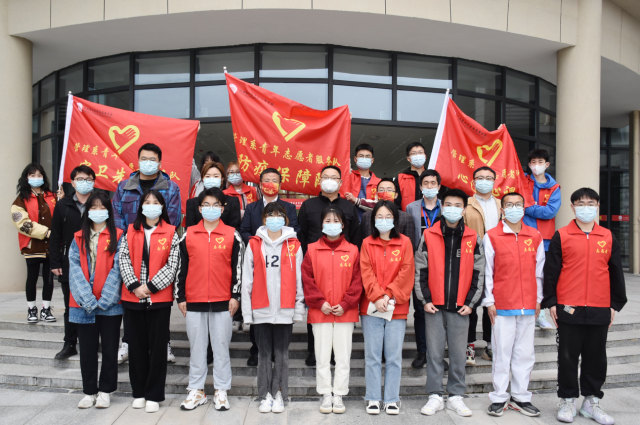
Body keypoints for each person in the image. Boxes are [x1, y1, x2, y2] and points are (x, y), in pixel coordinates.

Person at [542, 188, 627, 425]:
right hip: (569, 306)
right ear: (572, 207)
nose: (585, 207)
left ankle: (591, 402)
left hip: (600, 306)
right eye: (580, 203)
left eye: (590, 203)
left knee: (596, 357)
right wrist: (551, 301)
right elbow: (551, 271)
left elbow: (616, 272)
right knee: (567, 356)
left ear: (598, 206)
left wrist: (614, 304)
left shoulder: (607, 236)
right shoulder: (562, 235)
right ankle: (567, 400)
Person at [415, 188, 484, 418]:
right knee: (434, 353)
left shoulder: (473, 238)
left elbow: (479, 273)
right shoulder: (429, 235)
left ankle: (456, 395)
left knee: (458, 354)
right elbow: (420, 269)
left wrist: (471, 303)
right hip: (434, 306)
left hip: (461, 307)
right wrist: (425, 299)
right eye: (448, 205)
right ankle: (435, 395)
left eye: (457, 205)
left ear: (464, 210)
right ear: (442, 207)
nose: (452, 209)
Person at [112, 143, 181, 363]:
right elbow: (116, 216)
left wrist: (158, 233)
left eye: (152, 159)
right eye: (144, 159)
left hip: (161, 245)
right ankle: (128, 341)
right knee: (131, 299)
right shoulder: (124, 187)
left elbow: (173, 217)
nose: (148, 163)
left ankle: (164, 342)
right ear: (138, 160)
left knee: (159, 303)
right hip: (130, 245)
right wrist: (129, 238)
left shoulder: (171, 188)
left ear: (159, 163)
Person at [177, 187, 244, 411]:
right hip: (194, 300)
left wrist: (235, 295)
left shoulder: (232, 235)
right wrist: (181, 296)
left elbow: (238, 269)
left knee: (221, 347)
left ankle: (221, 390)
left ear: (223, 209)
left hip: (223, 301)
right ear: (199, 208)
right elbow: (180, 268)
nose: (211, 209)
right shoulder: (188, 234)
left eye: (216, 205)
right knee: (197, 348)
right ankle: (196, 390)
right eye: (206, 205)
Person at [483, 192, 545, 418]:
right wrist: (489, 301)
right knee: (502, 353)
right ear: (502, 210)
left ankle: (520, 396)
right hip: (502, 304)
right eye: (509, 205)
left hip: (528, 304)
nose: (514, 208)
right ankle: (499, 397)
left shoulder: (535, 235)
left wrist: (538, 299)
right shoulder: (492, 236)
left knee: (524, 353)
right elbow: (487, 272)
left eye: (518, 204)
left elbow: (539, 272)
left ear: (524, 208)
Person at [118, 189, 180, 413]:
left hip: (159, 299)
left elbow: (172, 265)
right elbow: (123, 259)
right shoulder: (130, 231)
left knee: (157, 348)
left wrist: (150, 287)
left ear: (162, 207)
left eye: (156, 202)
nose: (151, 206)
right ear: (141, 206)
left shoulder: (171, 232)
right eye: (147, 202)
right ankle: (139, 392)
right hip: (132, 297)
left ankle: (154, 394)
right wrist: (135, 286)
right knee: (136, 348)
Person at [242, 202, 304, 414]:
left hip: (285, 310)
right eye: (270, 214)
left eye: (279, 215)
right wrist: (247, 313)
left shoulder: (294, 245)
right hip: (261, 309)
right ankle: (264, 395)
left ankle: (279, 393)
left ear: (285, 219)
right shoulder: (254, 244)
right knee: (264, 356)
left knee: (282, 355)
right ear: (264, 218)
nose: (274, 218)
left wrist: (298, 309)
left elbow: (299, 280)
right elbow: (247, 281)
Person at [298, 165, 362, 366]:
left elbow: (355, 236)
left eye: (334, 177)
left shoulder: (349, 207)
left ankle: (338, 353)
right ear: (319, 181)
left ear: (340, 182)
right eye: (325, 176)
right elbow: (302, 235)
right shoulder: (308, 206)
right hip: (316, 263)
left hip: (344, 263)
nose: (329, 180)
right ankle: (313, 350)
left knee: (342, 307)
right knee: (317, 307)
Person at [302, 206, 363, 414]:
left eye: (336, 221)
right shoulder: (312, 250)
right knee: (322, 357)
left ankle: (339, 394)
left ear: (343, 224)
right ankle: (325, 394)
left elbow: (358, 282)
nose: (332, 224)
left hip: (345, 313)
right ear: (321, 224)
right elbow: (307, 280)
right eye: (327, 221)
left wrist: (345, 304)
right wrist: (319, 302)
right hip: (321, 312)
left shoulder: (353, 250)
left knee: (343, 357)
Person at [68, 192, 123, 410]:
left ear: (109, 211)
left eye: (102, 207)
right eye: (93, 207)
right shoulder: (78, 237)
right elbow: (74, 268)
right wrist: (87, 298)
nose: (98, 211)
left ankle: (106, 391)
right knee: (87, 350)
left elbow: (118, 268)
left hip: (110, 304)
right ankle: (89, 391)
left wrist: (107, 297)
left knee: (110, 349)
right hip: (84, 305)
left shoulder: (118, 235)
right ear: (87, 211)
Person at [240, 168, 300, 366]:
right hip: (259, 259)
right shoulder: (252, 208)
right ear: (260, 184)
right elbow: (244, 230)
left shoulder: (289, 207)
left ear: (280, 184)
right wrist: (260, 245)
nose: (270, 184)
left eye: (274, 180)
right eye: (267, 180)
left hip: (283, 260)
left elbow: (295, 229)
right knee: (259, 307)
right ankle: (256, 351)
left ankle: (277, 353)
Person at [360, 200, 414, 415]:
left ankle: (392, 398)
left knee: (393, 357)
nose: (384, 220)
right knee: (372, 356)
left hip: (396, 307)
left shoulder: (405, 242)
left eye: (388, 216)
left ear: (395, 219)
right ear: (373, 220)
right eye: (379, 217)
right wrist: (377, 296)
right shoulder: (366, 243)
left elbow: (407, 271)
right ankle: (373, 397)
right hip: (371, 307)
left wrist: (388, 294)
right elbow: (366, 272)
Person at [50, 165, 96, 359]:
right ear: (73, 182)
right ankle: (70, 343)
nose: (84, 182)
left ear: (94, 181)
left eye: (88, 179)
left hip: (95, 263)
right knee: (71, 305)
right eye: (80, 179)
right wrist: (55, 262)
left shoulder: (100, 203)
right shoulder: (63, 205)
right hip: (70, 263)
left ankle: (94, 342)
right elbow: (56, 236)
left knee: (94, 303)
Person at [464, 166, 502, 364]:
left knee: (491, 304)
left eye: (488, 178)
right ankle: (469, 345)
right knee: (470, 303)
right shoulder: (466, 204)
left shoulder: (502, 204)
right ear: (473, 182)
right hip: (472, 260)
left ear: (494, 181)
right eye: (480, 178)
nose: (484, 181)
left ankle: (489, 345)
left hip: (498, 261)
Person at [11, 163, 58, 323]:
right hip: (33, 245)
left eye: (39, 175)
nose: (36, 178)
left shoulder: (53, 196)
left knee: (49, 278)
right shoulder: (21, 200)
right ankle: (31, 309)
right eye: (32, 175)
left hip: (51, 245)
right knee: (32, 278)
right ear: (26, 178)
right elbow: (22, 223)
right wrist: (47, 232)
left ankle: (46, 309)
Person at [406, 170, 443, 369]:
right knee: (420, 311)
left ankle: (437, 354)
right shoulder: (411, 208)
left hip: (442, 266)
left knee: (440, 312)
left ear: (439, 186)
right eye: (426, 183)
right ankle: (422, 352)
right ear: (420, 187)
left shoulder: (446, 207)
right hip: (418, 265)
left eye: (433, 183)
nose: (429, 186)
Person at [523, 149, 561, 331]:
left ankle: (542, 313)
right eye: (533, 162)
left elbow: (550, 212)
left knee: (543, 276)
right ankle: (526, 308)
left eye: (540, 162)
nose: (536, 165)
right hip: (524, 236)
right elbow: (518, 203)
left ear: (547, 164)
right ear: (529, 164)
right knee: (525, 275)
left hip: (545, 240)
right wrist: (534, 207)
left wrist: (528, 207)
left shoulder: (554, 188)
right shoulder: (522, 181)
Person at [185, 162, 241, 230]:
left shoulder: (232, 202)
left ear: (222, 179)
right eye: (207, 176)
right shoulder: (192, 203)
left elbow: (235, 229)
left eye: (216, 176)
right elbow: (190, 230)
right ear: (203, 179)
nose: (211, 179)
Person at [342, 143, 381, 220]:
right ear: (355, 159)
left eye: (367, 156)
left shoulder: (379, 182)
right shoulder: (348, 176)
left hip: (370, 221)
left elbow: (380, 205)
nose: (364, 159)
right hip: (349, 220)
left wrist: (356, 200)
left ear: (372, 160)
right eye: (361, 156)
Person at [394, 142, 427, 211]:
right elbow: (396, 204)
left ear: (425, 156)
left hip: (429, 217)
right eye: (413, 153)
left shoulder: (432, 177)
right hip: (407, 217)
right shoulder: (400, 179)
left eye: (420, 152)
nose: (417, 155)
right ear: (408, 158)